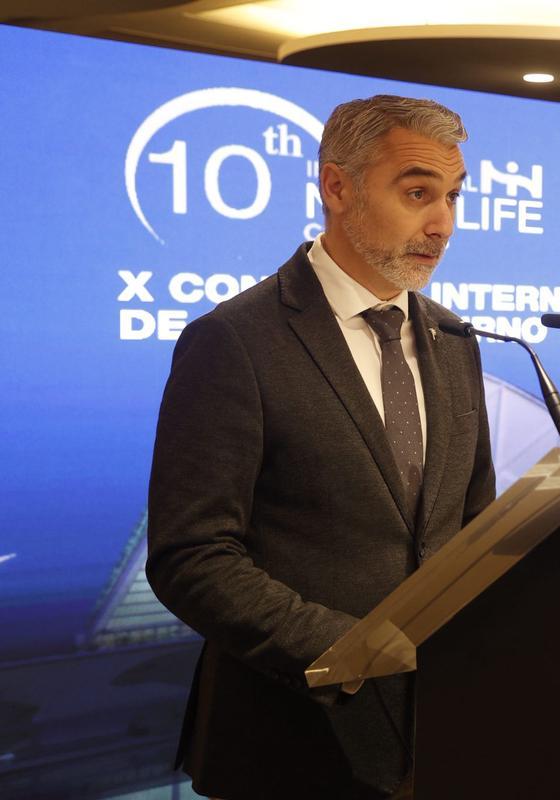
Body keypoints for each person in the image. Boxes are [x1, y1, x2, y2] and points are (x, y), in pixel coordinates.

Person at [146, 95, 496, 800]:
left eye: (453, 197)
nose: (443, 224)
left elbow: (470, 527)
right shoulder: (236, 341)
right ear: (337, 187)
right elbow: (192, 557)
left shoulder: (454, 340)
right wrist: (353, 651)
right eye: (418, 192)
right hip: (291, 742)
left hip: (441, 738)